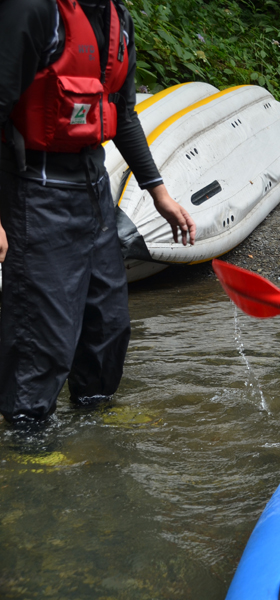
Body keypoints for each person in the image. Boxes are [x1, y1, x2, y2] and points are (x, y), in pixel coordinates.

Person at [0, 0, 197, 428]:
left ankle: (96, 416)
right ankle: (27, 436)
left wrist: (158, 192)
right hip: (35, 186)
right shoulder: (34, 11)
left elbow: (122, 114)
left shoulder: (117, 20)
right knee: (44, 329)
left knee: (108, 321)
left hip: (93, 185)